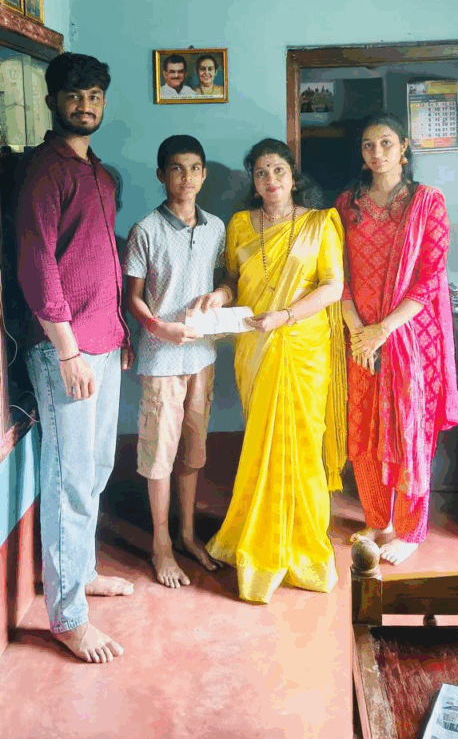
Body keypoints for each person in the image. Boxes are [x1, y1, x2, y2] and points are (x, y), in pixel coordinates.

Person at [16, 52, 135, 664]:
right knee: (69, 477)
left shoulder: (99, 174)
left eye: (94, 96)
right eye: (73, 95)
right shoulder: (47, 171)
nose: (85, 105)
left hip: (104, 341)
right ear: (53, 101)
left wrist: (118, 332)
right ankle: (67, 617)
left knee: (96, 468)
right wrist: (67, 351)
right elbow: (37, 264)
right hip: (65, 350)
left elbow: (100, 257)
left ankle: (81, 572)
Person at [191, 138, 347, 604]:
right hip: (255, 346)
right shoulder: (241, 224)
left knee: (302, 442)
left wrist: (286, 316)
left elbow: (333, 286)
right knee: (262, 441)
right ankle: (257, 535)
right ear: (254, 182)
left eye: (278, 170)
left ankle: (302, 544)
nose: (271, 179)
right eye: (261, 172)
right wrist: (220, 295)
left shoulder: (320, 223)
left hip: (303, 347)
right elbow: (232, 280)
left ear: (293, 176)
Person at [336, 113, 458, 565]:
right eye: (369, 145)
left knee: (409, 430)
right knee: (364, 428)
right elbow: (338, 274)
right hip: (359, 337)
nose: (377, 153)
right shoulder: (346, 204)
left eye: (386, 143)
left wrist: (382, 330)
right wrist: (359, 333)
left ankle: (409, 530)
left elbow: (430, 277)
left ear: (403, 147)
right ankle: (377, 520)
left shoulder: (427, 202)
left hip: (411, 337)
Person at [124, 135, 225, 589]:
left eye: (194, 168)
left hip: (202, 355)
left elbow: (226, 281)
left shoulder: (215, 227)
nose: (187, 177)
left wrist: (222, 294)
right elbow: (133, 297)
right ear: (162, 175)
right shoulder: (145, 229)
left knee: (193, 451)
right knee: (159, 456)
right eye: (177, 168)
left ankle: (186, 534)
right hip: (161, 358)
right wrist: (158, 327)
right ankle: (161, 545)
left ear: (204, 174)